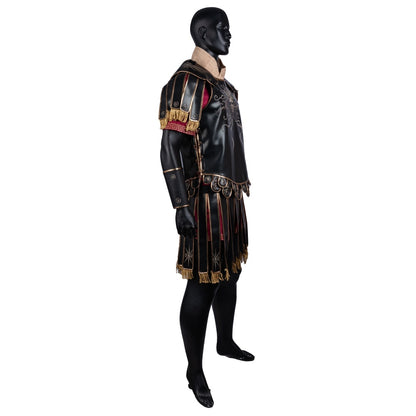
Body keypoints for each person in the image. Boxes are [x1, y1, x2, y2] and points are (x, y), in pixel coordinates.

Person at [159, 7, 254, 408]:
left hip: (231, 198)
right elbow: (169, 148)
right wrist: (180, 205)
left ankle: (225, 341)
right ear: (202, 33)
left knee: (230, 273)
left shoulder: (224, 86)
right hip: (203, 201)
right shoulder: (188, 80)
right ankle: (194, 371)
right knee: (202, 283)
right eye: (222, 28)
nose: (229, 35)